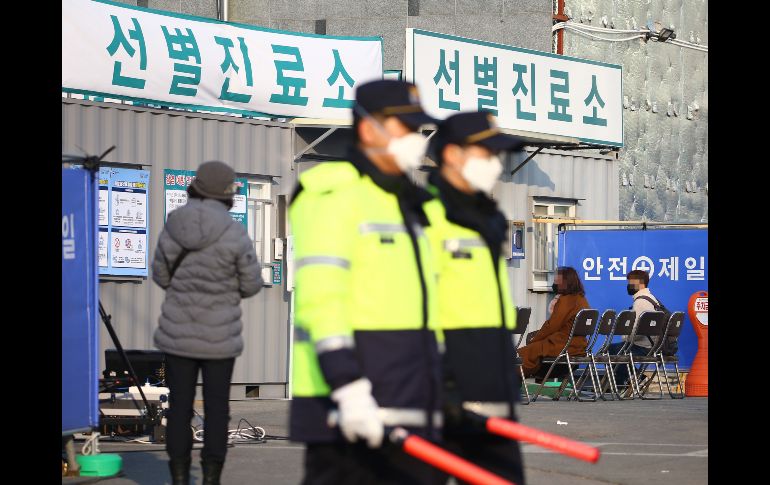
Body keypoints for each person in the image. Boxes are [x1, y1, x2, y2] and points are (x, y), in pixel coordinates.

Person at [288, 79, 444, 485]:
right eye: (403, 128)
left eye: (418, 130)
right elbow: (322, 300)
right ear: (368, 129)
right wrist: (349, 389)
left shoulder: (408, 202)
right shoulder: (332, 193)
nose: (415, 139)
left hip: (410, 398)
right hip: (350, 405)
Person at [423, 111, 526, 485]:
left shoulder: (489, 220)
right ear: (452, 155)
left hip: (491, 384)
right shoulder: (423, 218)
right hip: (440, 388)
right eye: (486, 153)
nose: (494, 164)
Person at [152, 161, 264, 485]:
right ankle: (211, 477)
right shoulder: (234, 232)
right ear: (227, 193)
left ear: (196, 188)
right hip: (220, 337)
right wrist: (226, 290)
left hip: (177, 334)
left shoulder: (174, 224)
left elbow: (160, 273)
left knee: (179, 408)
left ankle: (178, 476)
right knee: (217, 410)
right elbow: (252, 284)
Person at [518, 266, 590, 380]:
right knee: (532, 351)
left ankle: (512, 376)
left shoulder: (566, 300)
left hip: (562, 345)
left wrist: (535, 339)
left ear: (566, 282)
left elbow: (552, 326)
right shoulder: (581, 299)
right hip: (578, 346)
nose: (555, 283)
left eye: (557, 281)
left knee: (524, 353)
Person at [607, 269, 660, 391]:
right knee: (618, 349)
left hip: (643, 347)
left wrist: (625, 338)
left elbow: (636, 331)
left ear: (640, 284)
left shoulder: (640, 303)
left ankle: (622, 384)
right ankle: (633, 378)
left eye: (631, 282)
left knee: (612, 349)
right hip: (653, 345)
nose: (628, 286)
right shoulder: (652, 299)